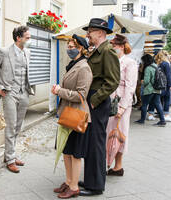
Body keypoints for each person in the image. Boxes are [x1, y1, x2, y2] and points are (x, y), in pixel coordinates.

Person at [78, 18, 120, 196]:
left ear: (101, 33)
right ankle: (90, 179)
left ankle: (96, 186)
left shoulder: (107, 51)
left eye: (91, 32)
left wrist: (94, 100)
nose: (88, 34)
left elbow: (113, 81)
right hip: (93, 101)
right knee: (91, 143)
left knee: (96, 143)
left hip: (98, 103)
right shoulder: (98, 50)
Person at [0, 26, 34, 173]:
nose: (29, 40)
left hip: (24, 92)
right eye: (27, 37)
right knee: (11, 126)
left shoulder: (28, 52)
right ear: (18, 38)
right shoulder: (4, 52)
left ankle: (11, 155)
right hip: (10, 93)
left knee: (18, 126)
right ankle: (10, 159)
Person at [52, 34, 92, 199]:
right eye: (68, 47)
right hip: (67, 113)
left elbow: (81, 95)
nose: (69, 49)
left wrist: (59, 91)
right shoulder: (73, 65)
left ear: (81, 48)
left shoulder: (84, 67)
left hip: (77, 115)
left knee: (75, 154)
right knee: (66, 151)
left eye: (71, 47)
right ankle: (69, 182)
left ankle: (74, 186)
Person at [106, 34, 138, 176]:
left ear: (122, 46)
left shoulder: (130, 63)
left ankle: (118, 166)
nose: (112, 48)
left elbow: (130, 87)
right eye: (111, 45)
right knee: (109, 134)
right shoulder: (111, 60)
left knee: (120, 134)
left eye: (114, 45)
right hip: (109, 102)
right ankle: (108, 162)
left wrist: (122, 107)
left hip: (121, 104)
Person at [134, 54, 166, 127]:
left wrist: (142, 82)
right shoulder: (155, 65)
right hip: (157, 89)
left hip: (149, 90)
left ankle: (142, 120)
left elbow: (146, 81)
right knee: (158, 105)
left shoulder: (148, 68)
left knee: (144, 105)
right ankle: (162, 120)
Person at [147, 50, 171, 122]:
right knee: (167, 99)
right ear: (166, 56)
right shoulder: (166, 64)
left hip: (156, 84)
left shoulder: (156, 63)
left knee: (154, 99)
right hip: (164, 85)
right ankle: (166, 115)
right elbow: (168, 75)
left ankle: (150, 114)